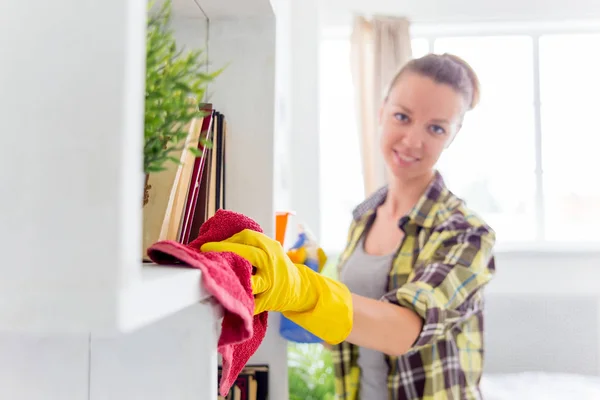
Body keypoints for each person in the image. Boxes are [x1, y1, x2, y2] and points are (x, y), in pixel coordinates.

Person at [201, 53, 496, 400]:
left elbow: (405, 330)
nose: (413, 141)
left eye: (436, 128)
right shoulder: (364, 219)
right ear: (381, 111)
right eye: (402, 116)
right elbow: (354, 330)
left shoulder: (466, 233)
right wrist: (300, 286)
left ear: (453, 135)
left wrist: (306, 290)